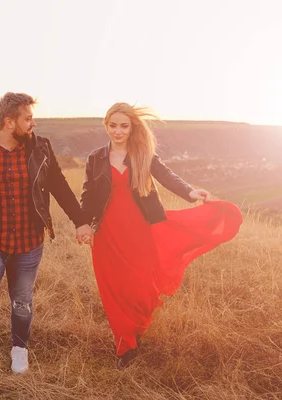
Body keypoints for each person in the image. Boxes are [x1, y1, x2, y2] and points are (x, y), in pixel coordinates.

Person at [80, 102, 243, 369]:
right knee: (115, 288)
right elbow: (88, 195)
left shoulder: (142, 153)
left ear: (132, 128)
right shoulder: (95, 158)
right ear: (105, 126)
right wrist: (83, 224)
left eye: (124, 126)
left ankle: (138, 325)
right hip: (108, 232)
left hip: (141, 229)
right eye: (113, 125)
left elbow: (166, 175)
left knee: (142, 286)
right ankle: (125, 345)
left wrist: (190, 192)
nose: (118, 131)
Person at [0, 92, 93, 373]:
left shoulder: (40, 147)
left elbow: (59, 184)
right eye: (28, 119)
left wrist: (80, 221)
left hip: (29, 241)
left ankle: (19, 347)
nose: (33, 124)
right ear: (9, 122)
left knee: (22, 302)